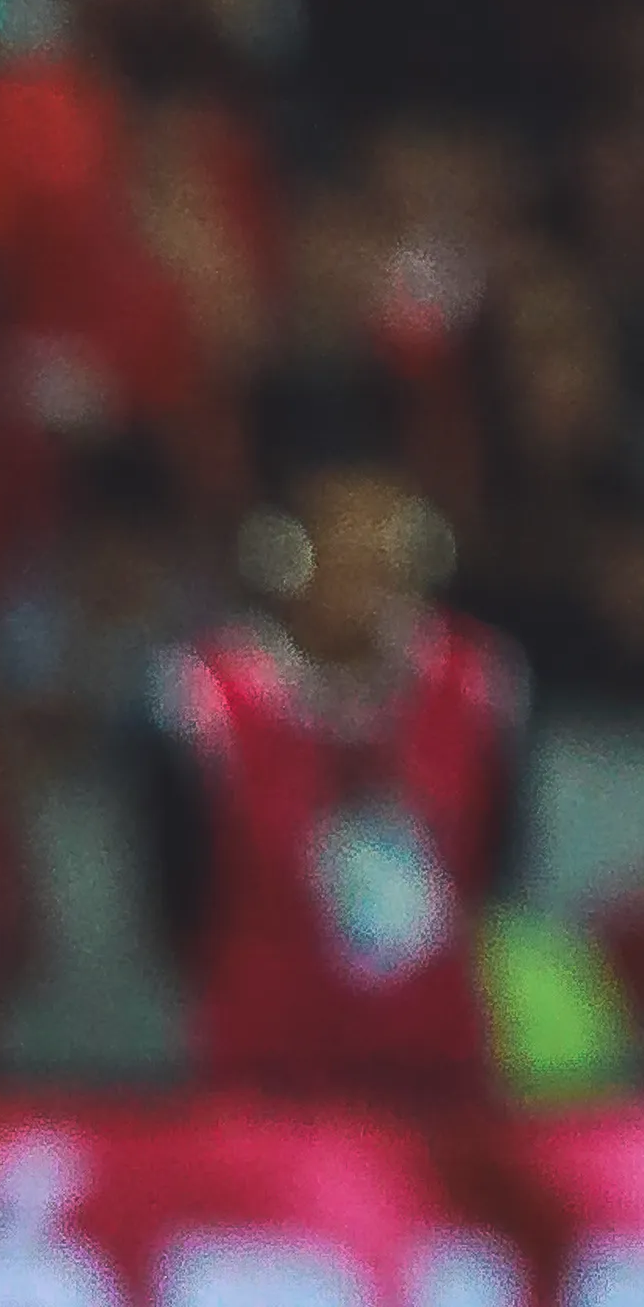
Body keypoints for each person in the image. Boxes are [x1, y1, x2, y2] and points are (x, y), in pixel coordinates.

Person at [134, 452, 531, 1096]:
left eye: (387, 535)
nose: (368, 560)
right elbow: (178, 903)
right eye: (343, 535)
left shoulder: (482, 684)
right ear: (282, 554)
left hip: (439, 1077)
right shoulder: (204, 704)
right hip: (267, 1080)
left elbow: (498, 867)